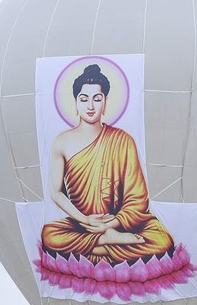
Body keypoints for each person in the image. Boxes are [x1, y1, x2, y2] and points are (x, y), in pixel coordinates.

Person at [41, 64, 175, 266]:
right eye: (84, 99)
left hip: (120, 223)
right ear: (75, 103)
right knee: (49, 235)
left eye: (97, 99)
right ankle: (106, 243)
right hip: (83, 224)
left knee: (163, 240)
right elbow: (55, 192)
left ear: (105, 103)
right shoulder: (62, 142)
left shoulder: (123, 140)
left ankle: (99, 244)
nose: (91, 106)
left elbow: (138, 198)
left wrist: (111, 223)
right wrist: (86, 221)